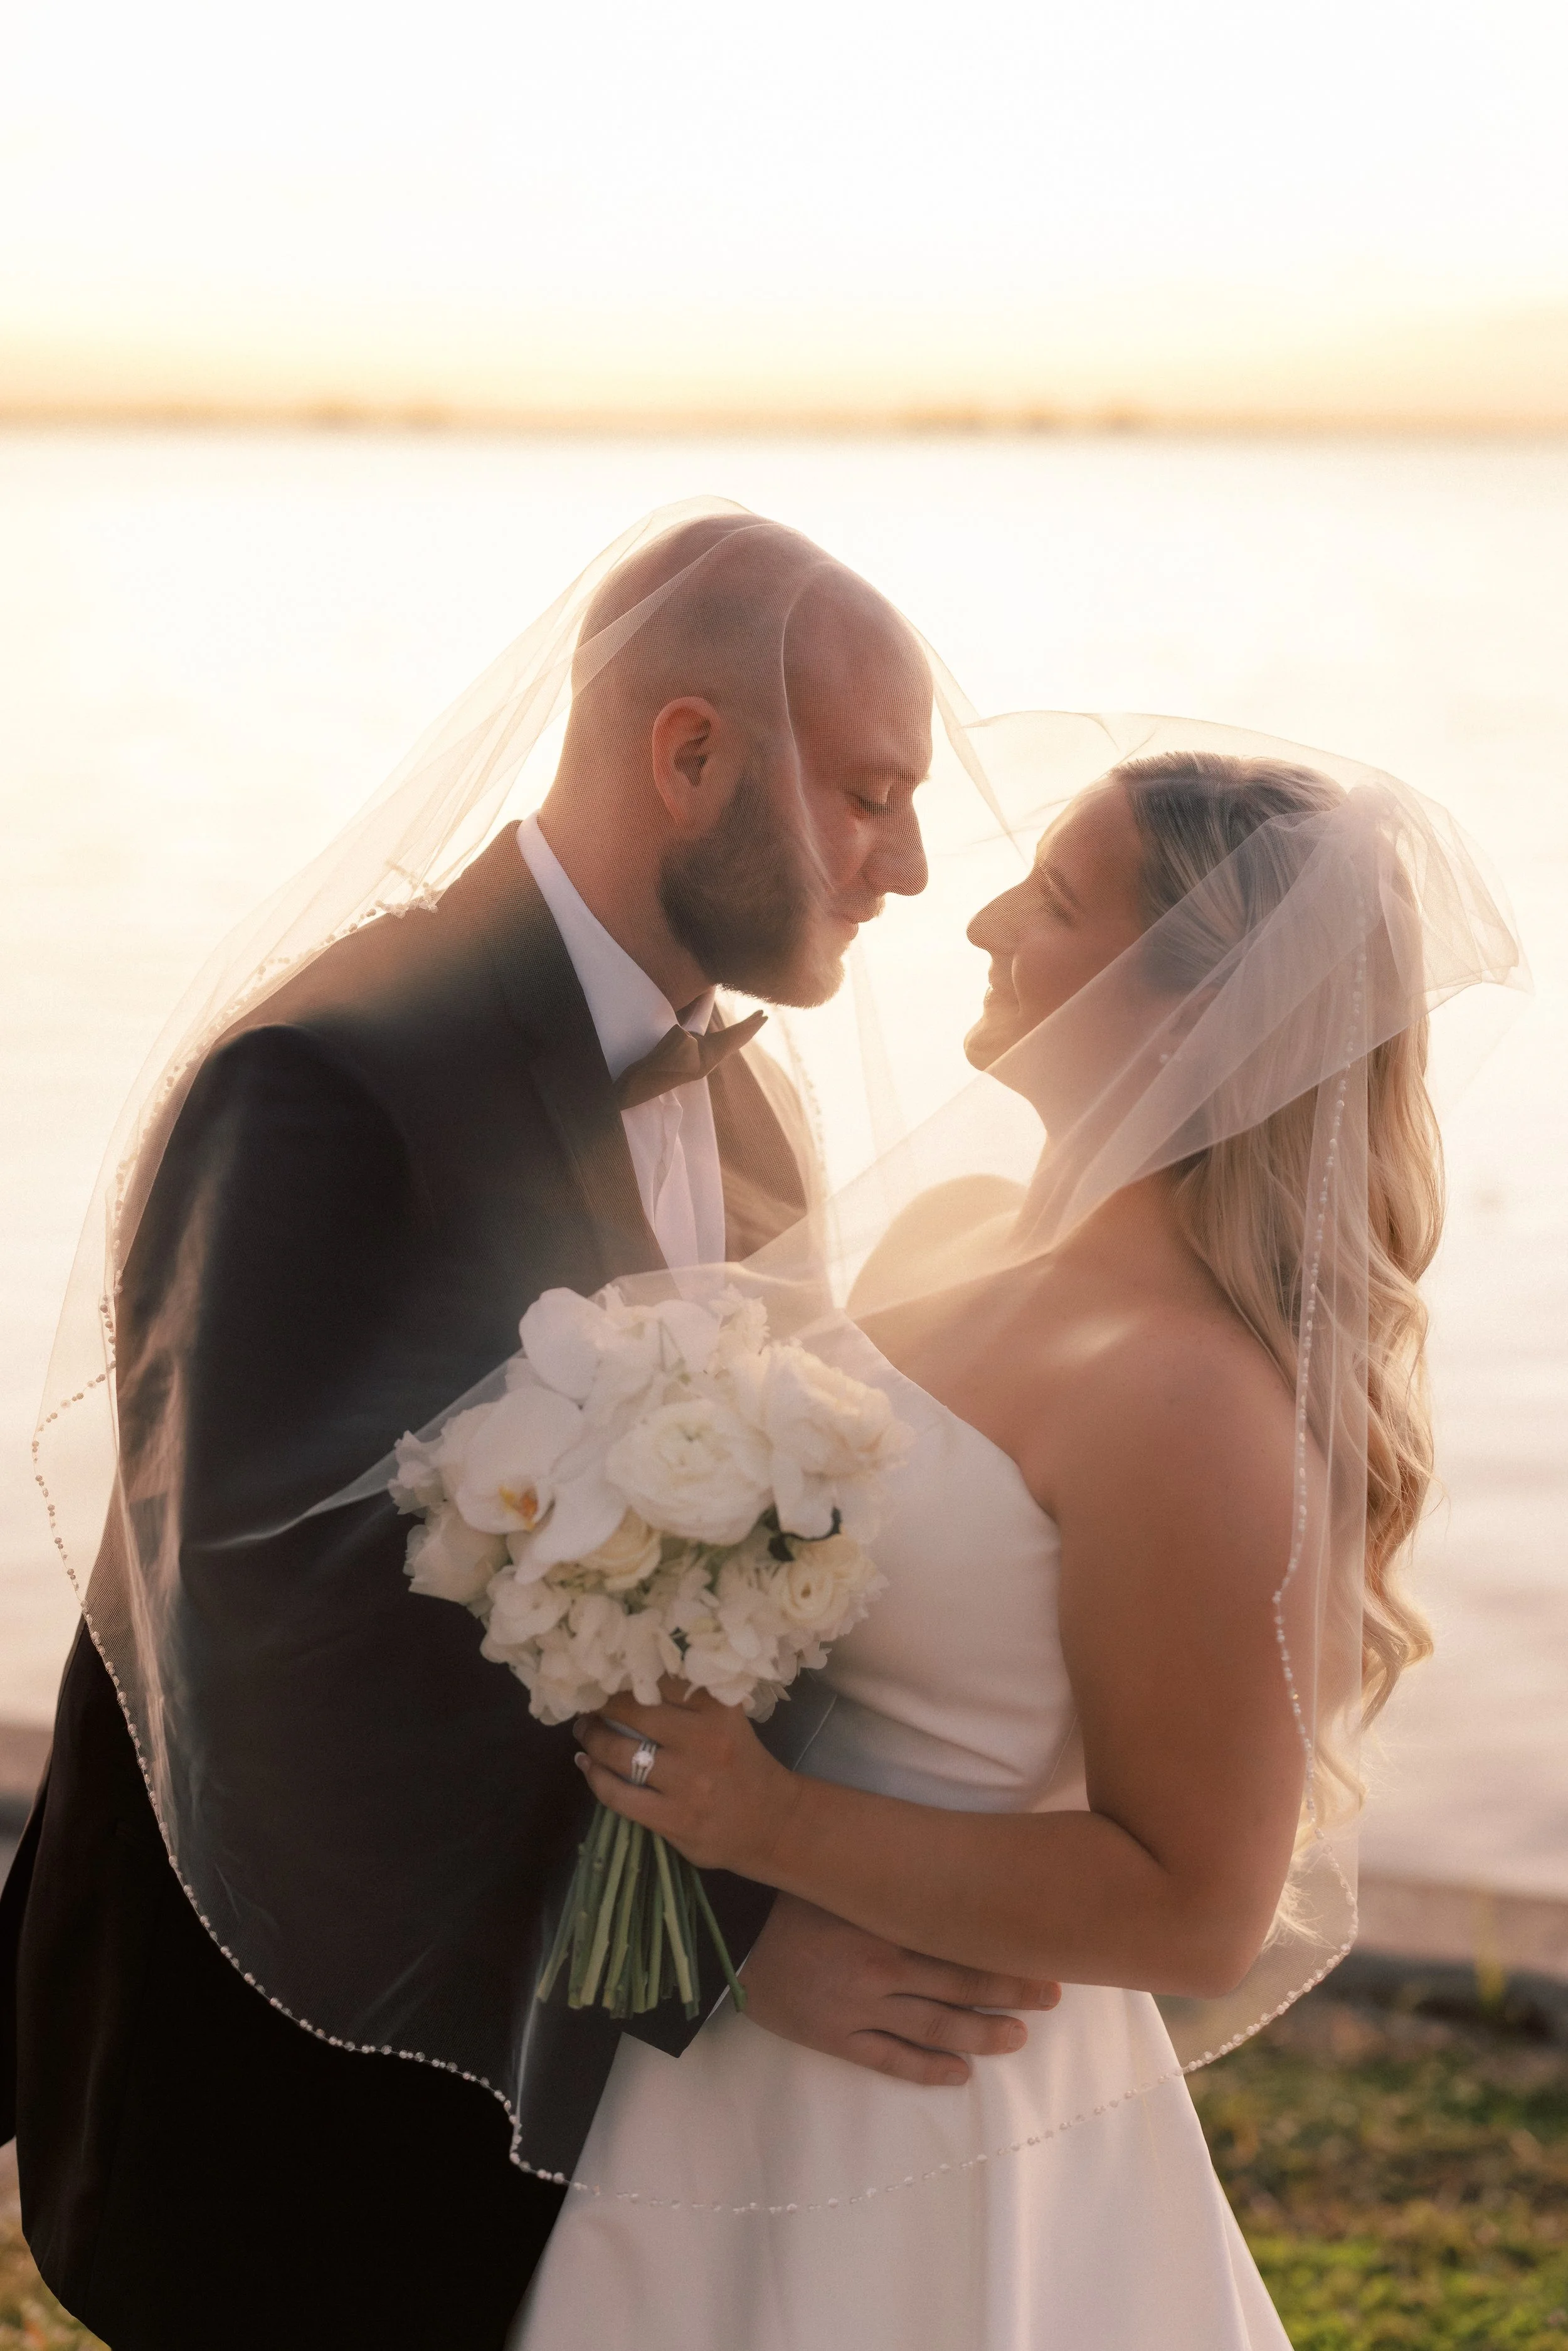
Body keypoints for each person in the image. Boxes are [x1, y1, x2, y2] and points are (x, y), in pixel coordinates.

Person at [1, 512, 1059, 2351]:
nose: (905, 867)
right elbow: (275, 1631)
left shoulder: (748, 1118)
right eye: (871, 795)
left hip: (573, 2135)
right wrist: (722, 1947)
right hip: (292, 2105)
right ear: (690, 755)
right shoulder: (326, 1077)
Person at [511, 746, 1519, 2348]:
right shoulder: (947, 1231)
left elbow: (1195, 1901)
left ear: (1200, 1011)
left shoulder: (1186, 1396)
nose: (978, 918)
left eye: (1052, 901)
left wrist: (762, 1821)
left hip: (927, 2107)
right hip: (736, 2026)